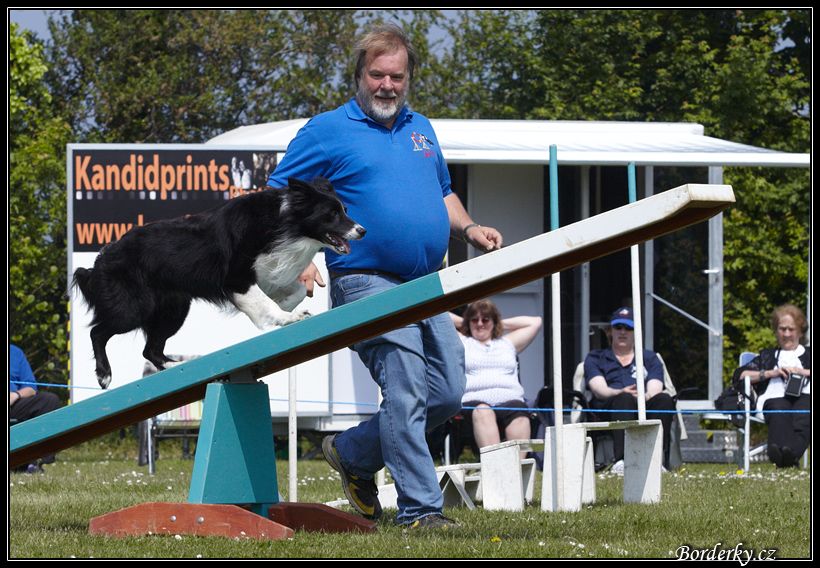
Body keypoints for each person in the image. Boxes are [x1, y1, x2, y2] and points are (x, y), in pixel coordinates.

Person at [266, 23, 502, 529]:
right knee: (406, 386)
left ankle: (352, 452)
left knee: (446, 391)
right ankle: (420, 511)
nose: (387, 86)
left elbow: (443, 194)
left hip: (426, 284)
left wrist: (471, 227)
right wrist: (299, 255)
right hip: (364, 279)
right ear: (359, 75)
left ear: (408, 77)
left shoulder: (422, 129)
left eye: (396, 77)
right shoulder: (327, 130)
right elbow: (278, 193)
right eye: (377, 75)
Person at [583, 307, 675, 473]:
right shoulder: (596, 357)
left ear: (636, 332)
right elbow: (599, 389)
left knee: (664, 399)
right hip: (609, 408)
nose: (623, 332)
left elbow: (655, 388)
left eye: (628, 328)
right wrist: (619, 392)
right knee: (623, 398)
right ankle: (621, 461)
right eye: (618, 327)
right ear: (609, 331)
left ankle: (656, 460)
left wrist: (642, 396)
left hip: (643, 403)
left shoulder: (650, 358)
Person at [450, 300, 542, 458]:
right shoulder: (462, 342)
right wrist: (464, 322)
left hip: (510, 401)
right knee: (483, 411)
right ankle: (497, 467)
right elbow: (437, 317)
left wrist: (498, 323)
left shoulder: (507, 343)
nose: (480, 324)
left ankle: (516, 470)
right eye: (475, 320)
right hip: (474, 404)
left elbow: (535, 322)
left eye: (485, 319)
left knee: (520, 414)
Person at [732, 304, 810, 468]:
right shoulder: (767, 356)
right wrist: (770, 373)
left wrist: (804, 372)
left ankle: (782, 455)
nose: (786, 334)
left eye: (791, 329)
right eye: (782, 329)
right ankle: (786, 455)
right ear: (776, 331)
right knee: (778, 406)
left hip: (805, 398)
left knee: (804, 409)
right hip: (775, 398)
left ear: (801, 332)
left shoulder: (809, 355)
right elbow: (739, 376)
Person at [9, 344, 61, 472]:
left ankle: (35, 464)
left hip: (14, 404)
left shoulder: (15, 352)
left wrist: (15, 395)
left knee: (50, 400)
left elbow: (31, 388)